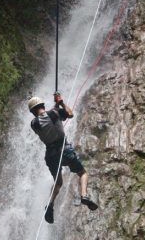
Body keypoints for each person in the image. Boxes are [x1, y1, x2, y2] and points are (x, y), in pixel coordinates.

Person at [28, 94, 98, 224]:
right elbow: (70, 114)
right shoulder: (54, 113)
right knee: (82, 173)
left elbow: (47, 118)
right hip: (64, 151)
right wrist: (61, 103)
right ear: (43, 105)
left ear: (32, 111)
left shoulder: (34, 124)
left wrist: (56, 106)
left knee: (58, 183)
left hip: (50, 155)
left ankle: (50, 204)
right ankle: (84, 195)